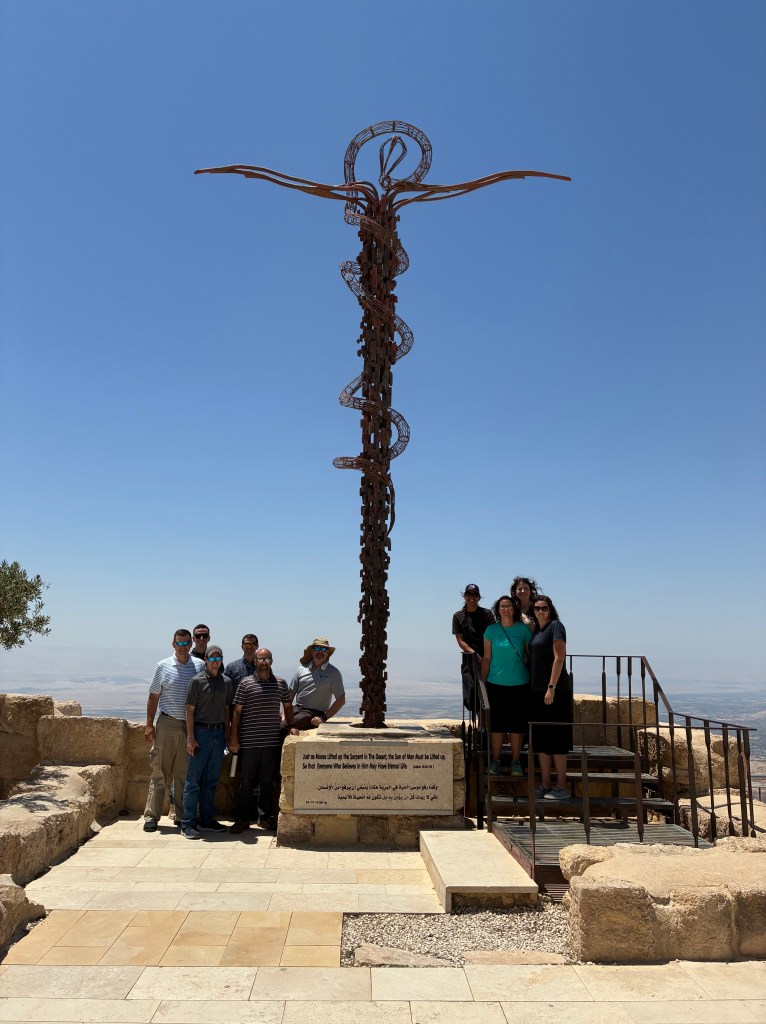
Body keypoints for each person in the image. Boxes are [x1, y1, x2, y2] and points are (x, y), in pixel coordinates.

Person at [143, 629, 204, 832]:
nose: (183, 647)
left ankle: (182, 816)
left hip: (190, 726)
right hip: (167, 724)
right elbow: (153, 697)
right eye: (179, 643)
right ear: (173, 645)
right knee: (159, 771)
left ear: (191, 644)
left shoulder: (199, 665)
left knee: (183, 774)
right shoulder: (163, 666)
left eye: (186, 643)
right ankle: (151, 816)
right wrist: (149, 724)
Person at [229, 647, 294, 833]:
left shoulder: (280, 683)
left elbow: (288, 706)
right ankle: (242, 819)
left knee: (267, 782)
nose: (263, 662)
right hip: (249, 742)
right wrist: (234, 737)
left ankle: (264, 818)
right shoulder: (246, 683)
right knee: (246, 782)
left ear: (271, 662)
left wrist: (291, 726)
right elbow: (237, 712)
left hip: (271, 742)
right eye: (260, 659)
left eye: (267, 659)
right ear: (255, 662)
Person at [180, 645, 234, 839]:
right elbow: (189, 710)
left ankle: (207, 819)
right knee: (193, 780)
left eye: (218, 658)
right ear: (206, 660)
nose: (215, 662)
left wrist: (229, 736)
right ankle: (188, 823)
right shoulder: (196, 681)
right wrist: (191, 737)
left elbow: (227, 711)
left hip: (219, 734)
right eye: (211, 658)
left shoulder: (226, 682)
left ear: (221, 660)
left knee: (211, 780)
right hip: (201, 733)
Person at [481, 595, 533, 777]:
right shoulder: (491, 630)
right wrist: (483, 683)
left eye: (509, 606)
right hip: (496, 684)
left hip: (520, 683)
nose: (505, 609)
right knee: (497, 725)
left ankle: (516, 762)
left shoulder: (522, 630)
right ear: (498, 610)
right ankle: (495, 761)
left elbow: (530, 655)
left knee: (517, 725)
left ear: (514, 609)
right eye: (502, 606)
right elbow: (487, 658)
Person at [528, 594, 573, 801]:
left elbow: (559, 658)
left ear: (550, 609)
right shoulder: (537, 630)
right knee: (541, 740)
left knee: (557, 739)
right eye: (537, 608)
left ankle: (562, 786)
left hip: (555, 691)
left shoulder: (556, 626)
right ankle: (545, 784)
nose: (540, 611)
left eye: (544, 608)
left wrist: (551, 687)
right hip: (536, 691)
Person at [452, 584, 495, 714]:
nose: (472, 597)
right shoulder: (458, 616)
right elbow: (460, 640)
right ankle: (480, 723)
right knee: (472, 696)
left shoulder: (486, 614)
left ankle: (486, 724)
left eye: (475, 595)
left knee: (487, 694)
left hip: (488, 659)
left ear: (479, 597)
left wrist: (485, 657)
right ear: (464, 596)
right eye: (469, 594)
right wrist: (474, 654)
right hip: (469, 661)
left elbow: (493, 636)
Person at [288, 637, 345, 732]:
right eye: (317, 648)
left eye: (323, 649)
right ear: (312, 651)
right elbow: (290, 694)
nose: (320, 651)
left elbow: (341, 699)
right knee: (274, 721)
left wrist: (323, 718)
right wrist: (283, 715)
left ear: (327, 653)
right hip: (296, 709)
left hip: (313, 713)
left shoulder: (333, 673)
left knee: (287, 724)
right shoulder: (302, 669)